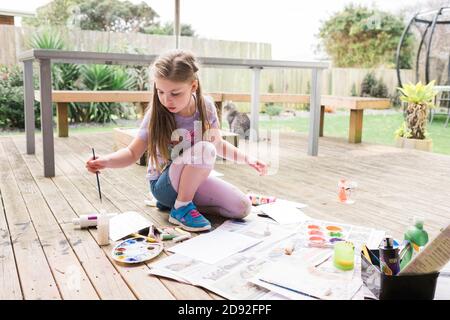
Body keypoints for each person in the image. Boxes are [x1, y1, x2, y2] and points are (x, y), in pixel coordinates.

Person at [86, 50, 268, 232]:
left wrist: (248, 159)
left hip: (191, 183)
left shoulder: (206, 107)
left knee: (241, 207)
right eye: (161, 92)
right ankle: (181, 208)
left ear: (193, 86)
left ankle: (181, 204)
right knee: (205, 149)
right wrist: (106, 161)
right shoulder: (156, 114)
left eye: (175, 93)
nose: (166, 100)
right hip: (163, 185)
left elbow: (218, 144)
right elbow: (132, 153)